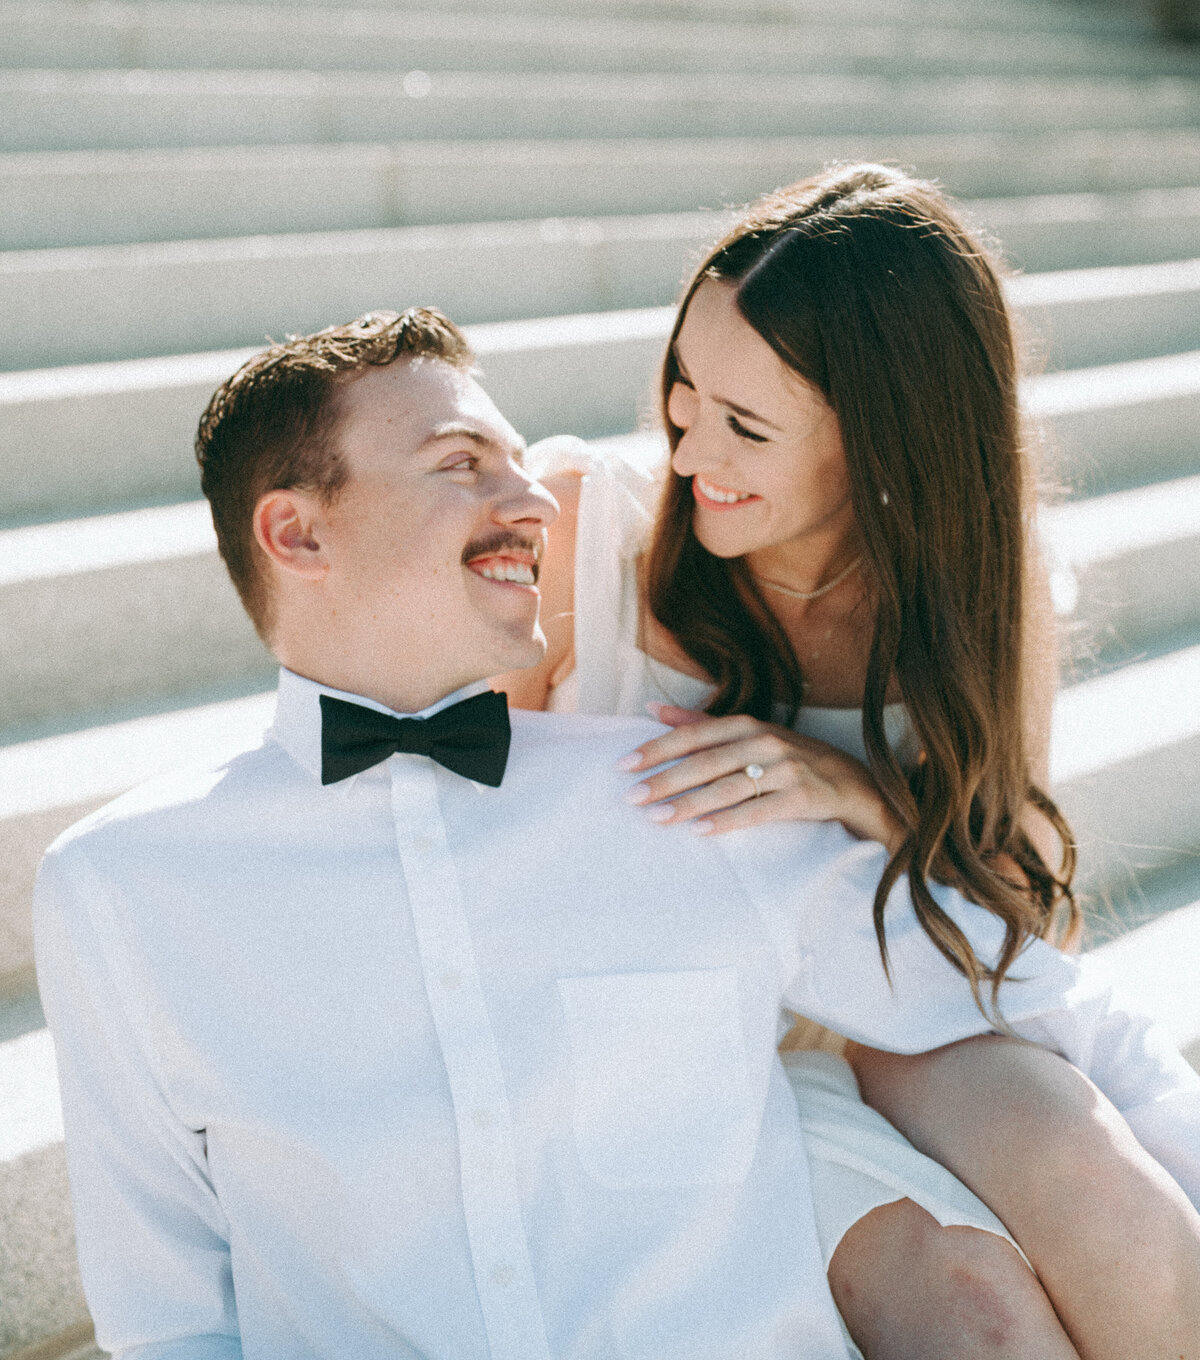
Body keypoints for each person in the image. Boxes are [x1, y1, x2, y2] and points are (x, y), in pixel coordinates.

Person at [34, 308, 1200, 1360]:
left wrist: (870, 804)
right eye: (459, 464)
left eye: (515, 458)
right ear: (295, 535)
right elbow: (173, 1318)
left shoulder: (678, 789)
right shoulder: (124, 890)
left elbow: (1011, 982)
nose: (538, 496)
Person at [497, 163, 1200, 1360]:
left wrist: (859, 794)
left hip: (882, 1001)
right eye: (683, 389)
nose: (687, 449)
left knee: (1130, 1232)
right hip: (650, 1034)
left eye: (747, 427)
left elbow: (1031, 913)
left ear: (886, 440)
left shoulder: (970, 585)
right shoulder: (582, 533)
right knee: (981, 1321)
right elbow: (455, 840)